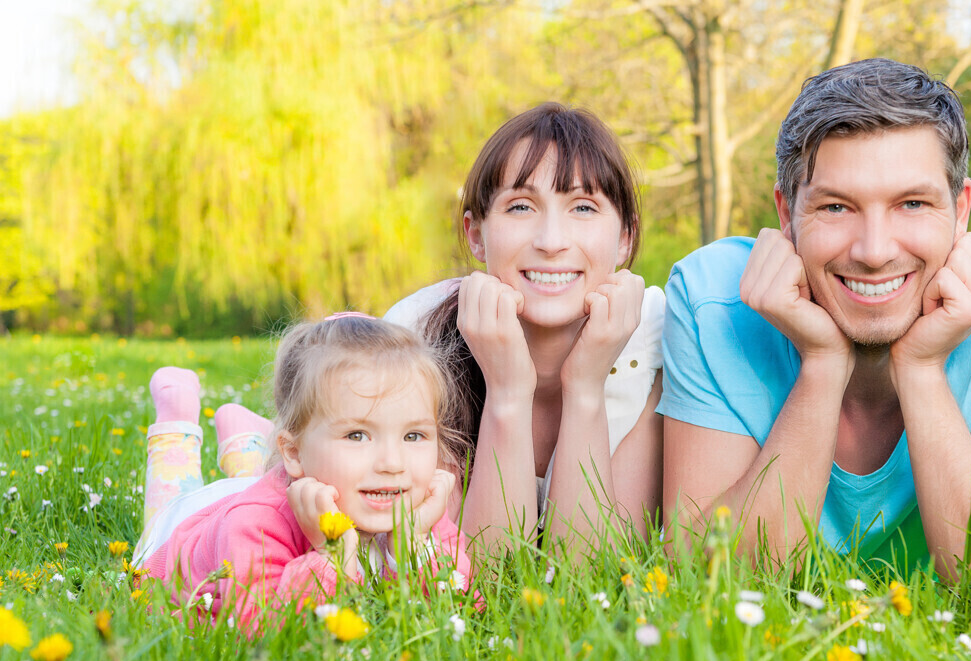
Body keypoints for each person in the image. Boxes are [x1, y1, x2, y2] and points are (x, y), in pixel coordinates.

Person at [659, 58, 971, 580]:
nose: (875, 251)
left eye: (911, 203)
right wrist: (821, 364)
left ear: (962, 208)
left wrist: (923, 370)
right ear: (785, 213)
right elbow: (708, 578)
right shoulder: (711, 301)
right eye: (836, 207)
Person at [385, 103, 664, 560]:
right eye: (520, 206)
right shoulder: (415, 340)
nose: (551, 241)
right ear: (476, 235)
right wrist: (508, 390)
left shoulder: (655, 343)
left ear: (626, 237)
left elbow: (585, 574)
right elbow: (483, 574)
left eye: (583, 207)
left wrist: (586, 385)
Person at [135, 314, 473, 633]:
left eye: (413, 436)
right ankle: (174, 424)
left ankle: (247, 441)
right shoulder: (254, 523)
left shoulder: (414, 504)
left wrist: (413, 545)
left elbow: (463, 605)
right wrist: (333, 556)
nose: (392, 463)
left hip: (270, 486)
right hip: (179, 531)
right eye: (357, 435)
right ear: (294, 452)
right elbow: (262, 628)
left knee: (247, 483)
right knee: (174, 495)